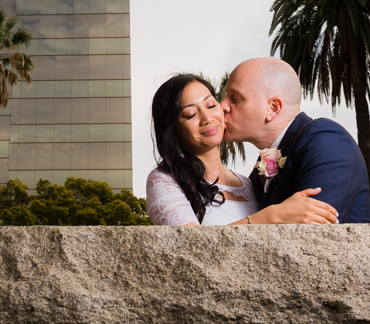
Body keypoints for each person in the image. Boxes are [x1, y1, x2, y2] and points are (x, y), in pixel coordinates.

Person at [145, 73, 339, 225]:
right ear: (174, 132)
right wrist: (272, 216)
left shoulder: (248, 183)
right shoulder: (164, 180)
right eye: (191, 114)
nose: (208, 118)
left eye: (211, 105)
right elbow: (187, 246)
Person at [221, 58, 370, 223]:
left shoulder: (327, 140)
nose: (222, 105)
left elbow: (311, 234)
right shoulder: (268, 160)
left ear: (273, 108)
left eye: (235, 98)